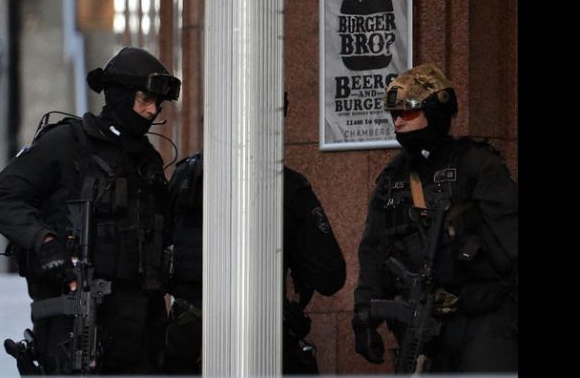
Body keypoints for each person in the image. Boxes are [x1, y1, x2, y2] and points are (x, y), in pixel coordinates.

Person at [0, 46, 181, 375]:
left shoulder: (146, 160)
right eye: (144, 101)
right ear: (119, 97)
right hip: (74, 315)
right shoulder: (66, 143)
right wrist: (45, 243)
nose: (151, 111)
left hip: (141, 323)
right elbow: (6, 199)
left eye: (156, 104)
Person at [162, 95, 347, 374]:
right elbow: (330, 275)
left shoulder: (184, 177)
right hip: (260, 338)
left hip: (188, 338)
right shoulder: (289, 187)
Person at [352, 64, 518, 373]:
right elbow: (374, 250)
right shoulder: (393, 178)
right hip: (425, 323)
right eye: (394, 115)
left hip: (483, 319)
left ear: (436, 112)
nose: (398, 122)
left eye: (408, 113)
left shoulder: (476, 165)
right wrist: (364, 315)